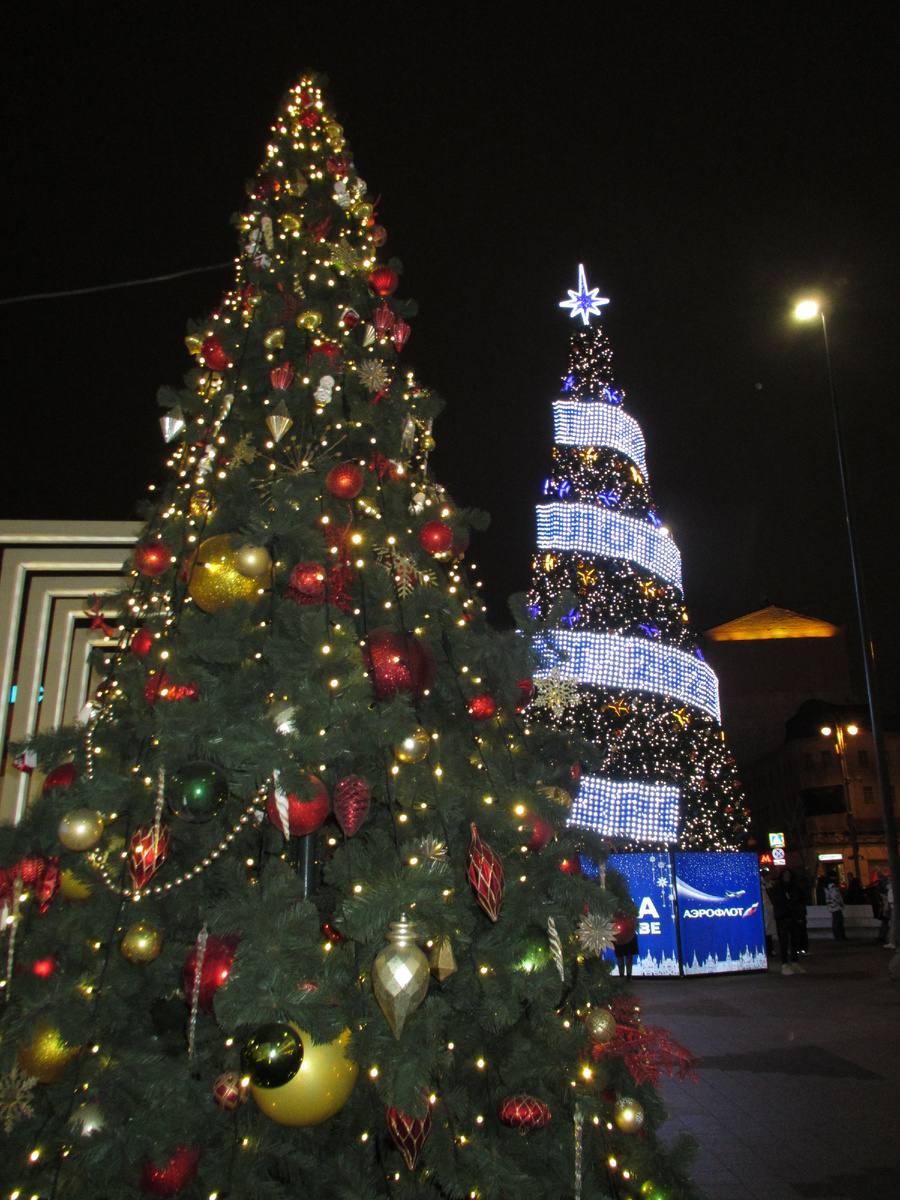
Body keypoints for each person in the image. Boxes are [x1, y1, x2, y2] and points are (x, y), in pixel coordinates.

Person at [770, 867, 807, 975]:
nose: (787, 876)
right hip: (783, 917)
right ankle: (785, 963)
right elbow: (776, 900)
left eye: (788, 874)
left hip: (793, 916)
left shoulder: (795, 886)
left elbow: (801, 900)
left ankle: (794, 961)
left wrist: (799, 915)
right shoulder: (778, 887)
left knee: (795, 939)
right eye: (785, 874)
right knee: (784, 941)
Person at [824, 872, 846, 940]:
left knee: (837, 921)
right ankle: (840, 936)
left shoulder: (827, 885)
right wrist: (840, 902)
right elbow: (835, 895)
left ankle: (839, 936)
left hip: (833, 905)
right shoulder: (832, 885)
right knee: (838, 921)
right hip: (836, 905)